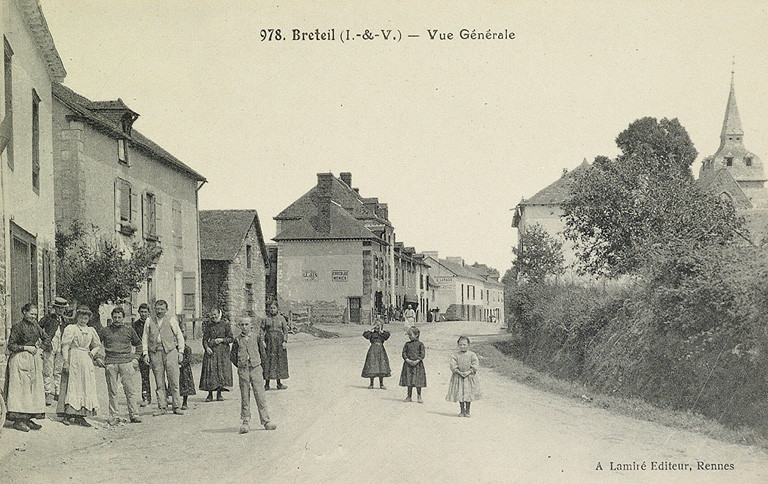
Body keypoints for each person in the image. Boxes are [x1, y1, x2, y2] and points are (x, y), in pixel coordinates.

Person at [230, 317, 277, 433]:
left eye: (246, 324)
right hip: (243, 370)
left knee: (260, 395)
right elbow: (233, 356)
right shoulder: (237, 340)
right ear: (239, 326)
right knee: (245, 396)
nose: (244, 327)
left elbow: (263, 354)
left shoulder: (256, 337)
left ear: (251, 326)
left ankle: (266, 421)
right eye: (242, 324)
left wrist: (260, 367)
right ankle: (245, 422)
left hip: (256, 369)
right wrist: (241, 365)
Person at [57, 306, 102, 427]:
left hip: (86, 359)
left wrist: (91, 353)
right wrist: (66, 361)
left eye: (85, 318)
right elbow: (65, 345)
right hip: (74, 357)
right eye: (81, 318)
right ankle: (67, 414)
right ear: (77, 317)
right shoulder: (71, 328)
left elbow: (97, 345)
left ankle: (80, 416)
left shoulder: (91, 330)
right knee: (72, 384)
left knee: (85, 385)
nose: (83, 320)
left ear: (88, 319)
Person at [4, 303, 46, 431]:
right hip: (19, 360)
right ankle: (18, 421)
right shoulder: (17, 327)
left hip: (32, 360)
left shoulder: (36, 326)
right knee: (20, 390)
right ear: (24, 312)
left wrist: (41, 348)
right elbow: (11, 345)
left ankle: (28, 419)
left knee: (31, 390)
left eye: (35, 314)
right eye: (31, 314)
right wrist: (26, 347)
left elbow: (46, 338)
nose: (33, 317)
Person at [99, 307, 142, 425]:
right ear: (112, 318)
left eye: (119, 317)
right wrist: (98, 357)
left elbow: (139, 344)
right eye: (115, 317)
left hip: (126, 362)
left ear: (123, 318)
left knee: (130, 389)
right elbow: (96, 344)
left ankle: (134, 414)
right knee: (112, 391)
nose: (117, 319)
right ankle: (114, 416)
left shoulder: (129, 330)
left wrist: (136, 358)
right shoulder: (105, 330)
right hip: (111, 363)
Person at [142, 300, 185, 416]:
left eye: (162, 309)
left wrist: (180, 351)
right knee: (159, 381)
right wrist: (145, 353)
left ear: (166, 310)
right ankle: (162, 406)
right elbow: (145, 338)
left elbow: (179, 336)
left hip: (170, 352)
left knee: (174, 380)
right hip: (155, 353)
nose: (159, 311)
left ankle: (177, 406)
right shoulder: (149, 320)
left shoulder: (171, 319)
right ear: (154, 309)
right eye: (157, 309)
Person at [38, 297, 68, 406]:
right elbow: (38, 327)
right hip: (50, 346)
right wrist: (45, 339)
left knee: (58, 370)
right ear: (54, 308)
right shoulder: (48, 318)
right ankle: (47, 393)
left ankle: (57, 392)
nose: (60, 310)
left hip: (61, 346)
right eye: (58, 308)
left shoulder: (65, 320)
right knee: (48, 369)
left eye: (62, 308)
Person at [199, 307, 233, 402]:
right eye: (212, 315)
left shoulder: (225, 324)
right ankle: (209, 395)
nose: (213, 316)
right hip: (212, 351)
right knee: (210, 372)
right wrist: (206, 348)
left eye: (215, 314)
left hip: (223, 352)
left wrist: (222, 340)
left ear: (219, 314)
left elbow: (231, 338)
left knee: (221, 372)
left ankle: (219, 394)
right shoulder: (209, 325)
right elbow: (205, 339)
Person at [445, 335, 482, 417]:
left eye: (464, 345)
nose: (462, 346)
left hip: (469, 377)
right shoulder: (455, 355)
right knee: (460, 393)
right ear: (458, 345)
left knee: (468, 394)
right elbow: (453, 365)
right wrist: (458, 372)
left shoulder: (472, 355)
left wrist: (469, 371)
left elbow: (475, 365)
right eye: (461, 344)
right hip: (459, 377)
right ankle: (462, 410)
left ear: (468, 345)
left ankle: (468, 410)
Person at [261, 302, 289, 390]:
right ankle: (267, 384)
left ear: (277, 309)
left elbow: (285, 331)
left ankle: (279, 383)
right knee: (267, 361)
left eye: (274, 308)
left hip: (279, 343)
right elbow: (262, 330)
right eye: (271, 308)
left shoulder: (281, 319)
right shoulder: (266, 319)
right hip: (269, 342)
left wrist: (284, 341)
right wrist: (262, 341)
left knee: (279, 361)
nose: (272, 310)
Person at [132, 303, 153, 406]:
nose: (143, 314)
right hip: (142, 353)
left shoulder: (152, 323)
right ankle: (146, 397)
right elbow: (133, 340)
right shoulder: (135, 325)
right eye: (142, 312)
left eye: (145, 312)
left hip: (154, 351)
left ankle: (165, 396)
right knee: (144, 376)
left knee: (160, 374)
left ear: (149, 313)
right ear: (139, 312)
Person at [399, 326, 426, 403]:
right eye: (409, 335)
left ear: (416, 335)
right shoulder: (407, 344)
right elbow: (404, 353)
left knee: (418, 381)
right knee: (409, 380)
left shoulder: (420, 344)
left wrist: (417, 361)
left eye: (411, 335)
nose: (409, 337)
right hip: (408, 364)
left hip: (418, 365)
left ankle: (419, 396)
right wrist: (407, 359)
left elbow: (422, 354)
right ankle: (409, 396)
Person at [361, 322, 391, 389]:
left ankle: (381, 384)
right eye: (376, 326)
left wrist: (381, 331)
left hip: (381, 350)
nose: (377, 327)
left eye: (379, 326)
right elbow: (365, 334)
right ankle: (371, 384)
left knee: (381, 367)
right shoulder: (371, 334)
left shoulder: (382, 334)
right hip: (373, 350)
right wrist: (371, 329)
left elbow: (387, 335)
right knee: (372, 366)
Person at [178, 325, 195, 410]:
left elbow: (188, 359)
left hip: (184, 370)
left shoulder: (187, 349)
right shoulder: (175, 349)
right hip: (177, 370)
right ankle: (176, 402)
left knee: (185, 387)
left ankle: (185, 402)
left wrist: (181, 365)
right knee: (176, 386)